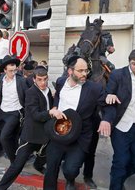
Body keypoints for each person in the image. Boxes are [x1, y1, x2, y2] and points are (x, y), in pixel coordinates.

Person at [43, 56, 113, 190]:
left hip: (80, 136)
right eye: (80, 71)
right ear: (70, 71)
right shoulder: (60, 81)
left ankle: (70, 178)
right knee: (51, 168)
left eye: (86, 71)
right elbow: (58, 96)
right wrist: (55, 107)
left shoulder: (94, 88)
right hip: (59, 132)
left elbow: (108, 106)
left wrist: (105, 119)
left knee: (71, 170)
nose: (84, 74)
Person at [102, 48, 135, 190]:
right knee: (121, 161)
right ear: (129, 63)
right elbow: (107, 98)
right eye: (134, 64)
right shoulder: (117, 75)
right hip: (121, 126)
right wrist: (109, 98)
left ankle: (119, 177)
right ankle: (116, 185)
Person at [0, 66, 53, 190]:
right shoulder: (31, 93)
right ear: (34, 80)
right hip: (30, 136)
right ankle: (0, 188)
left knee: (45, 156)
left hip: (46, 135)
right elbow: (36, 115)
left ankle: (37, 165)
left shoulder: (48, 91)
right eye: (39, 79)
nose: (43, 82)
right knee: (17, 165)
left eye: (45, 79)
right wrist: (51, 113)